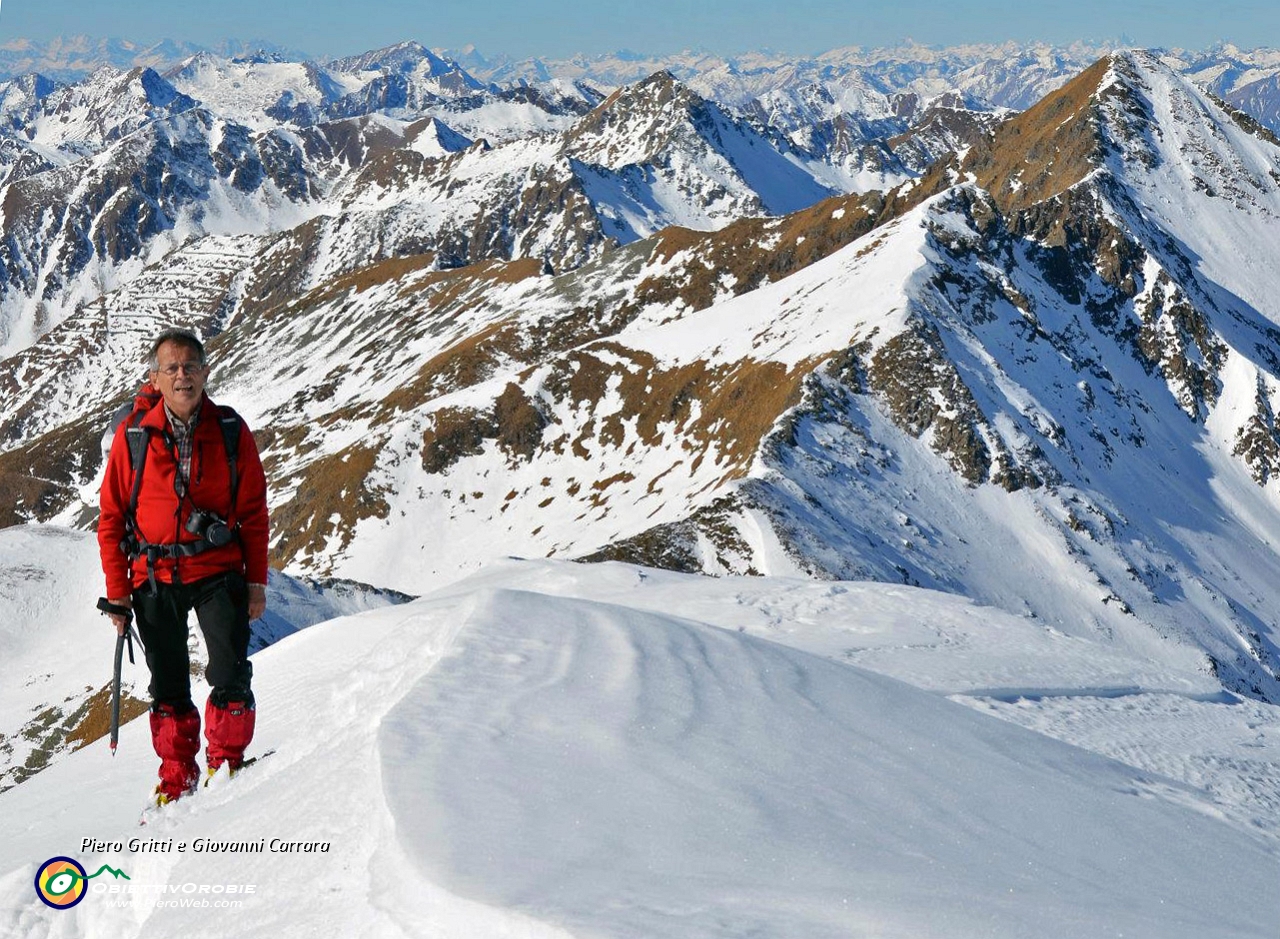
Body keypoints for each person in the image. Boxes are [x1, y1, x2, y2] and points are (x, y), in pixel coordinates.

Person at [98, 328, 269, 804]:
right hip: (153, 578)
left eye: (190, 366)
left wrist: (256, 583)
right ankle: (177, 778)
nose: (182, 376)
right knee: (168, 683)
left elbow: (253, 512)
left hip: (218, 572)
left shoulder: (231, 431)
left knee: (230, 671)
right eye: (171, 368)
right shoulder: (133, 437)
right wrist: (117, 593)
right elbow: (111, 518)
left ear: (206, 373)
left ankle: (227, 763)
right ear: (155, 377)